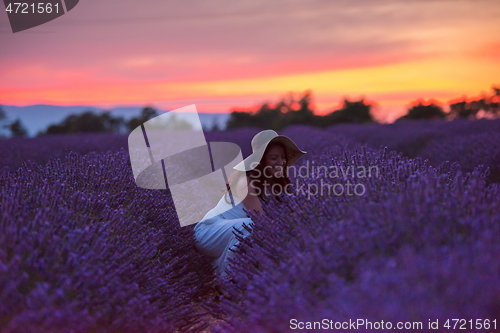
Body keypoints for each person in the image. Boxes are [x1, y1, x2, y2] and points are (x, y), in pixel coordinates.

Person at [193, 129, 306, 277]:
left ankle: (218, 272)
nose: (281, 162)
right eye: (274, 158)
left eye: (283, 157)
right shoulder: (245, 181)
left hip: (231, 234)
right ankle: (226, 282)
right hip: (209, 232)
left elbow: (289, 216)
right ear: (261, 160)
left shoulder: (276, 185)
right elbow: (262, 220)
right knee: (253, 227)